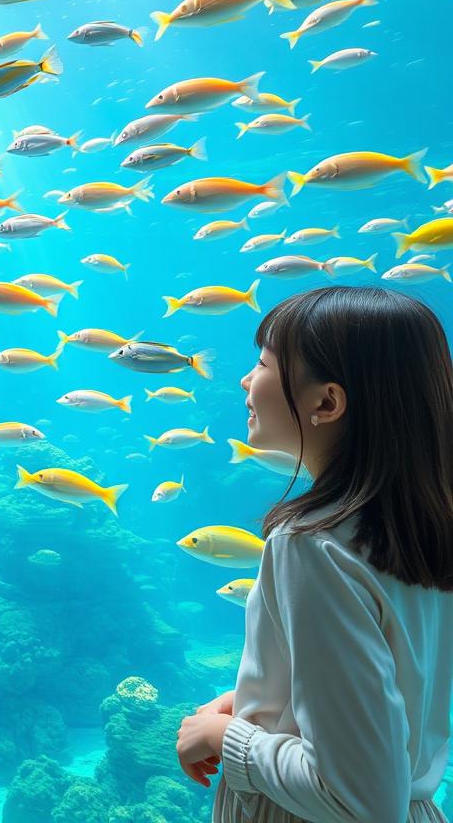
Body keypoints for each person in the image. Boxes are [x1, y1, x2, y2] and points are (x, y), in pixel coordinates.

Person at [175, 286, 453, 822]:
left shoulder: (312, 545)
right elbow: (396, 690)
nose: (244, 380)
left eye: (261, 363)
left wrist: (228, 737)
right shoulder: (423, 530)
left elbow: (360, 797)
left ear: (325, 402)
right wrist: (254, 704)